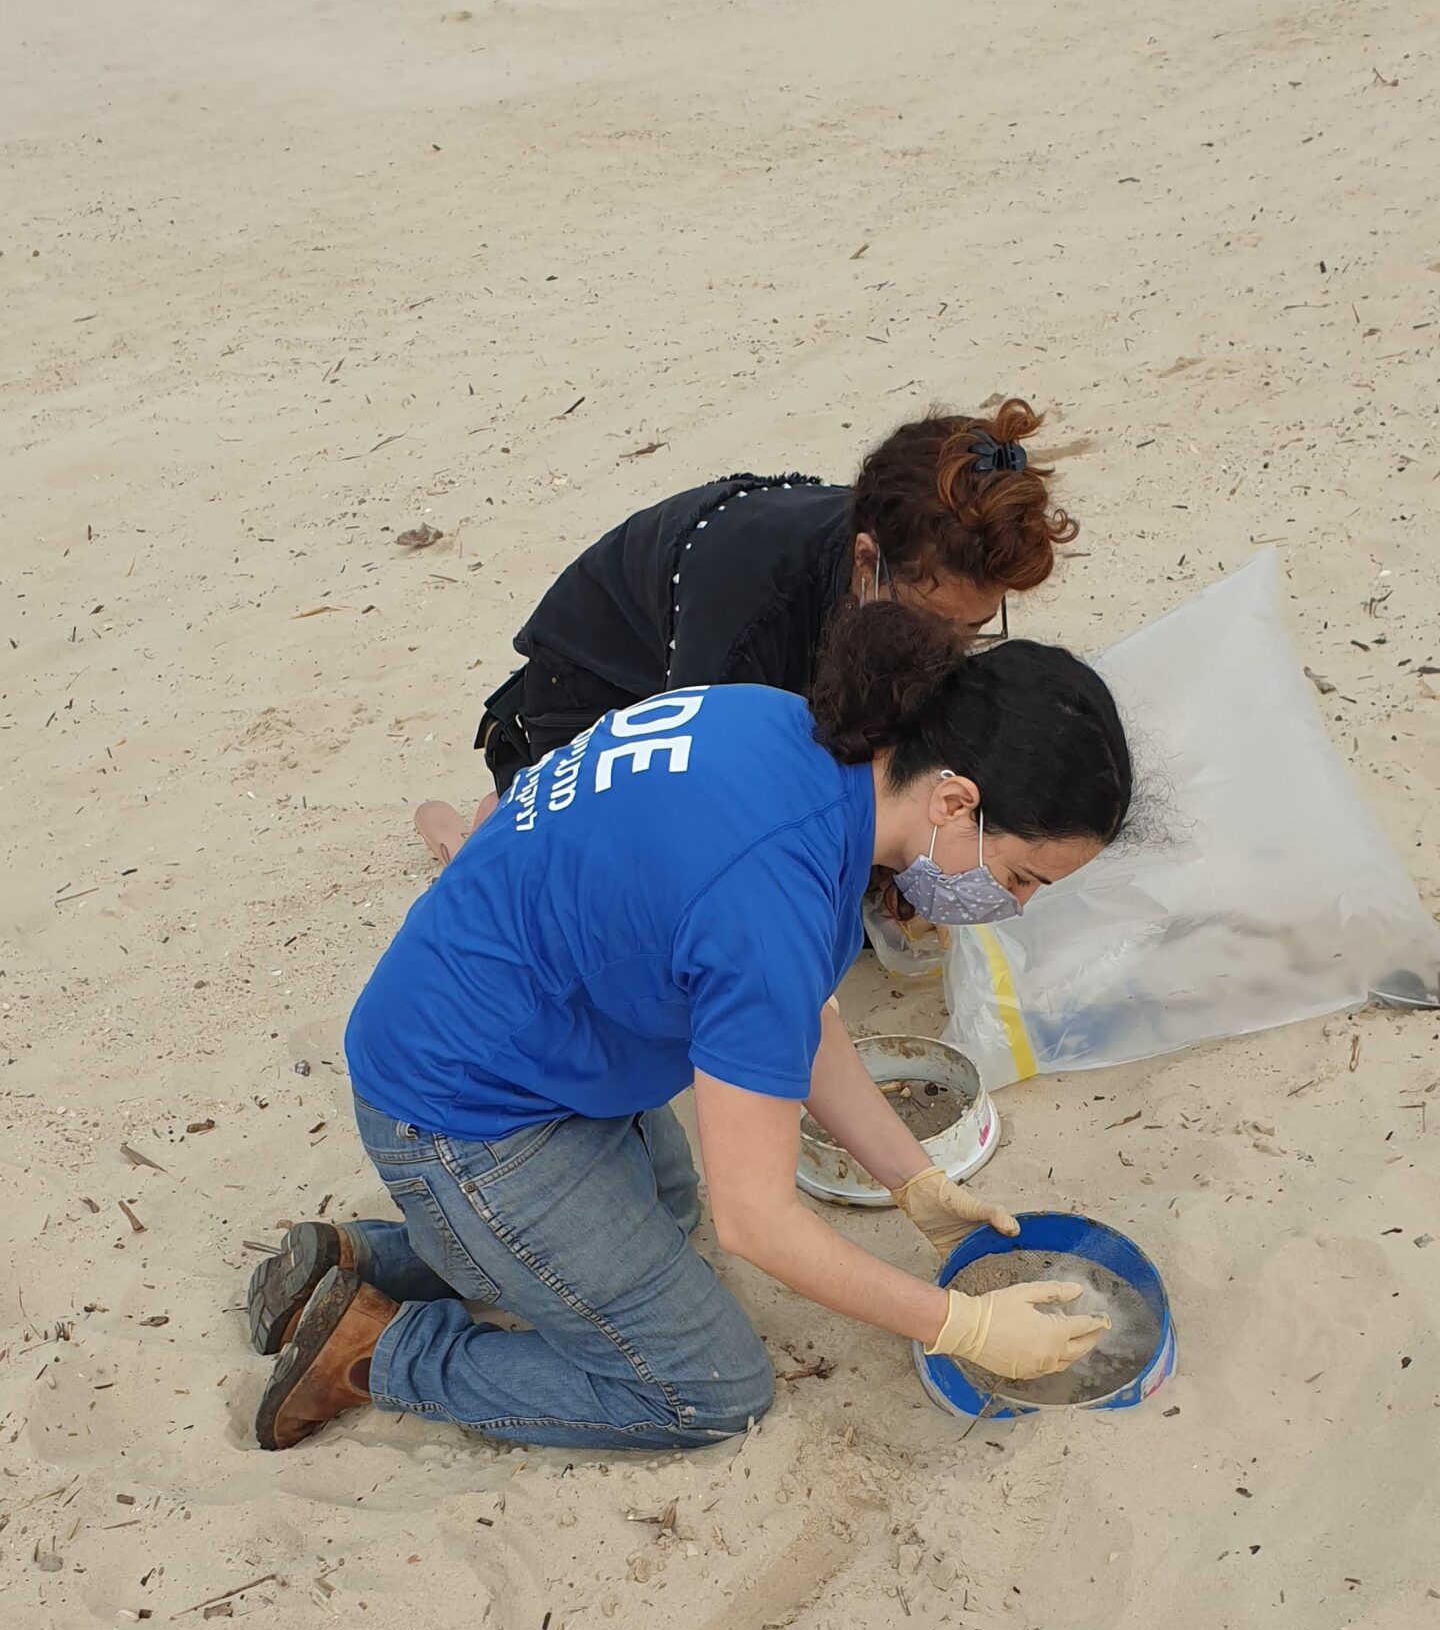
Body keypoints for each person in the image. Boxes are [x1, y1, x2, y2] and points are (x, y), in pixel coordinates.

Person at [247, 598, 1131, 1455]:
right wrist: (961, 1324)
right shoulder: (770, 897)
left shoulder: (797, 738)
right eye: (1021, 876)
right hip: (458, 1109)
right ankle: (370, 1352)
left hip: (526, 1034)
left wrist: (913, 1179)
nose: (1009, 905)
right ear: (954, 802)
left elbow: (799, 1016)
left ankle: (367, 1257)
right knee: (705, 1387)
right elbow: (758, 1222)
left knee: (664, 1214)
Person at [414, 399, 1077, 865]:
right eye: (936, 625)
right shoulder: (752, 601)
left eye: (975, 628)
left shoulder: (900, 567)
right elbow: (696, 795)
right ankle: (491, 816)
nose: (952, 650)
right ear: (867, 560)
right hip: (602, 691)